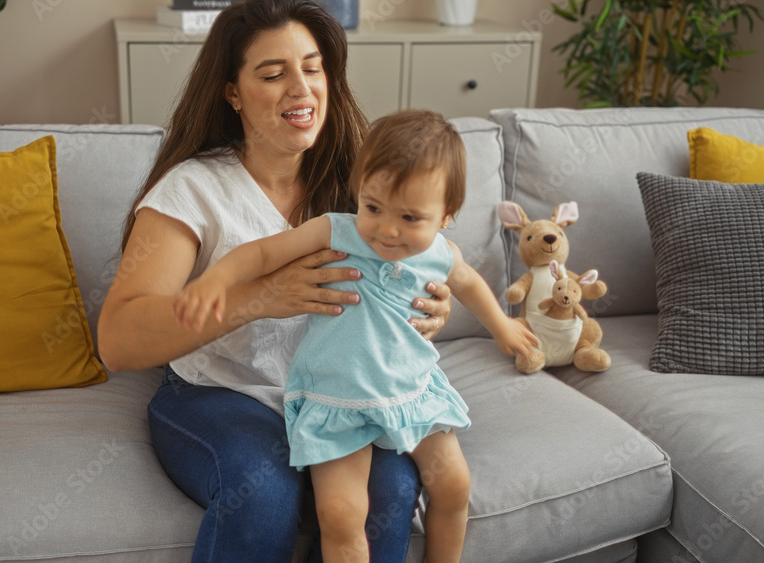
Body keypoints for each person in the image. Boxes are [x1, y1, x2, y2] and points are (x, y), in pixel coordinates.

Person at [97, 1, 455, 561]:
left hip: (342, 396)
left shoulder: (363, 186)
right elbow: (118, 340)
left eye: (313, 69)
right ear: (232, 92)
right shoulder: (191, 190)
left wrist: (433, 305)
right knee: (263, 494)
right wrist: (258, 298)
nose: (301, 89)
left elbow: (428, 256)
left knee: (393, 489)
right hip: (218, 391)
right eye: (273, 74)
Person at [173, 109, 540, 562]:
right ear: (359, 193)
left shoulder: (442, 253)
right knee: (342, 514)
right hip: (339, 401)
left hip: (412, 393)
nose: (386, 229)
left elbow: (468, 284)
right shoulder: (337, 231)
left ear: (447, 215)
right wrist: (215, 280)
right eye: (373, 206)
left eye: (409, 217)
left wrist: (503, 325)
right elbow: (264, 252)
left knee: (454, 485)